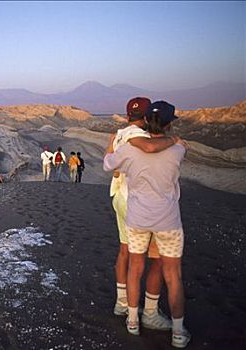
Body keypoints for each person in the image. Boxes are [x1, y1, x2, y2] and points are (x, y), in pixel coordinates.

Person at [104, 101, 190, 348]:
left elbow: (110, 164)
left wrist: (116, 143)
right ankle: (176, 331)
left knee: (134, 265)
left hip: (136, 215)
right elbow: (157, 146)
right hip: (167, 219)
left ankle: (131, 318)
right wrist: (173, 140)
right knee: (172, 274)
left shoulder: (129, 144)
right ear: (168, 123)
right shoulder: (177, 149)